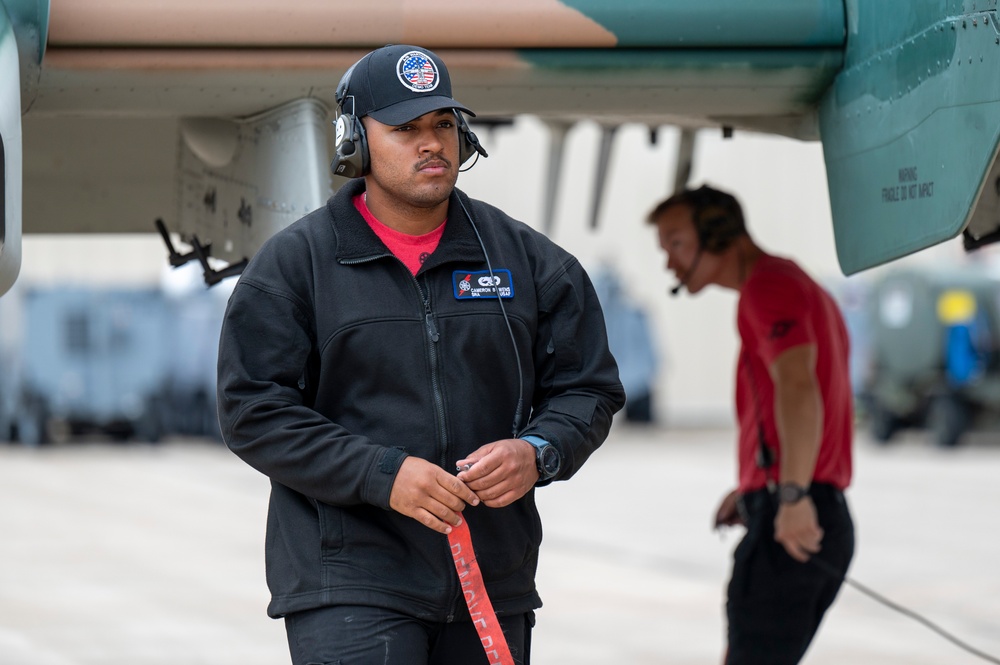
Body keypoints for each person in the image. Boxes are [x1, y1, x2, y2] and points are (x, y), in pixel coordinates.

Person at [216, 44, 624, 665]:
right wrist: (384, 476)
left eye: (442, 125)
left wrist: (538, 454)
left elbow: (588, 389)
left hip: (490, 579)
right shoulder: (295, 265)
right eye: (405, 128)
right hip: (350, 582)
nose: (431, 143)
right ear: (355, 140)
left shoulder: (529, 262)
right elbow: (253, 411)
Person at [647, 185, 854, 664]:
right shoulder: (788, 283)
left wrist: (793, 495)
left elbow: (799, 388)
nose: (670, 264)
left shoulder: (769, 287)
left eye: (677, 244)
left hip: (800, 511)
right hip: (801, 502)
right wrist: (758, 488)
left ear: (720, 233)